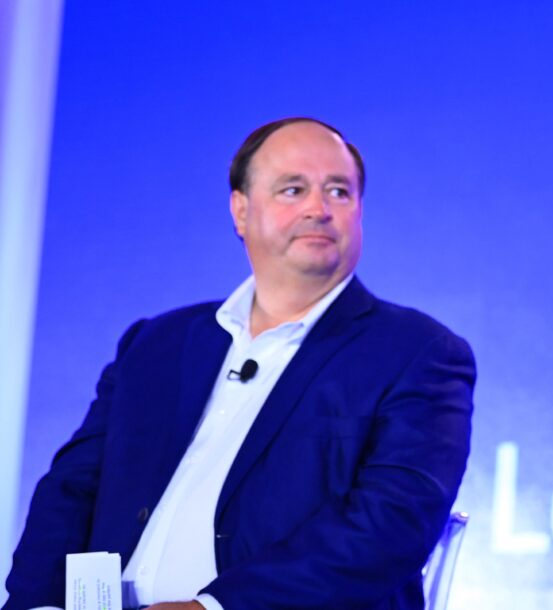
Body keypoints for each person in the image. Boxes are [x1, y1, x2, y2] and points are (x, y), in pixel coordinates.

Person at [5, 118, 476, 610]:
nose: (319, 208)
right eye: (293, 189)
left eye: (339, 191)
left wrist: (216, 608)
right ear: (241, 211)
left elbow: (391, 524)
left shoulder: (417, 353)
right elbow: (70, 489)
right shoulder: (155, 343)